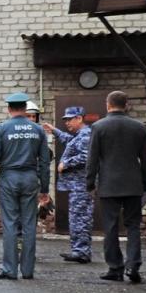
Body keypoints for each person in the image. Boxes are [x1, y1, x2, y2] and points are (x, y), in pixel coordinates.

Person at [86, 91, 146, 284]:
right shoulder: (139, 127)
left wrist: (90, 184)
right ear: (127, 105)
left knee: (110, 227)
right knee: (133, 226)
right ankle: (133, 265)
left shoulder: (98, 127)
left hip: (109, 185)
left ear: (108, 105)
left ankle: (115, 268)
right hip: (133, 185)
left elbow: (92, 159)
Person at [0, 92, 51, 280]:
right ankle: (28, 270)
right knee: (29, 224)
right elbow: (44, 162)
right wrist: (44, 190)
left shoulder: (2, 128)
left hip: (9, 178)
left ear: (9, 109)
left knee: (10, 224)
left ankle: (10, 269)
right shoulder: (38, 130)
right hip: (30, 178)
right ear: (25, 108)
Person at [42, 106, 93, 264]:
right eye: (65, 120)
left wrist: (66, 163)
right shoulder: (80, 135)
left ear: (79, 118)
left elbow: (86, 156)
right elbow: (69, 141)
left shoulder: (86, 135)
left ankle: (81, 252)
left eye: (70, 119)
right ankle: (79, 250)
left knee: (80, 218)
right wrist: (54, 131)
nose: (67, 123)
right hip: (77, 185)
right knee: (77, 217)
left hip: (81, 185)